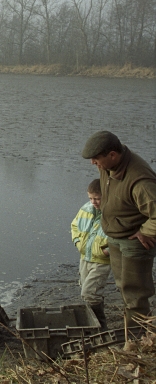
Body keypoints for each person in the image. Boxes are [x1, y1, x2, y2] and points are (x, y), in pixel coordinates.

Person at [82, 130, 156, 328]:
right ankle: (132, 332)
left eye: (96, 159)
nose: (93, 163)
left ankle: (137, 339)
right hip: (115, 236)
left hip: (133, 242)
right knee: (123, 288)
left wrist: (147, 231)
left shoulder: (140, 181)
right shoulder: (109, 166)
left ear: (112, 155)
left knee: (136, 294)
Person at [71, 179, 111, 329]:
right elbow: (75, 226)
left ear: (106, 196)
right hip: (85, 257)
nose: (93, 202)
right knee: (85, 290)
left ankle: (100, 328)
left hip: (102, 260)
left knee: (89, 294)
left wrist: (108, 251)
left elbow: (121, 236)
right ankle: (97, 326)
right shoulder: (86, 209)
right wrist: (77, 242)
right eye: (90, 198)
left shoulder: (113, 213)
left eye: (97, 198)